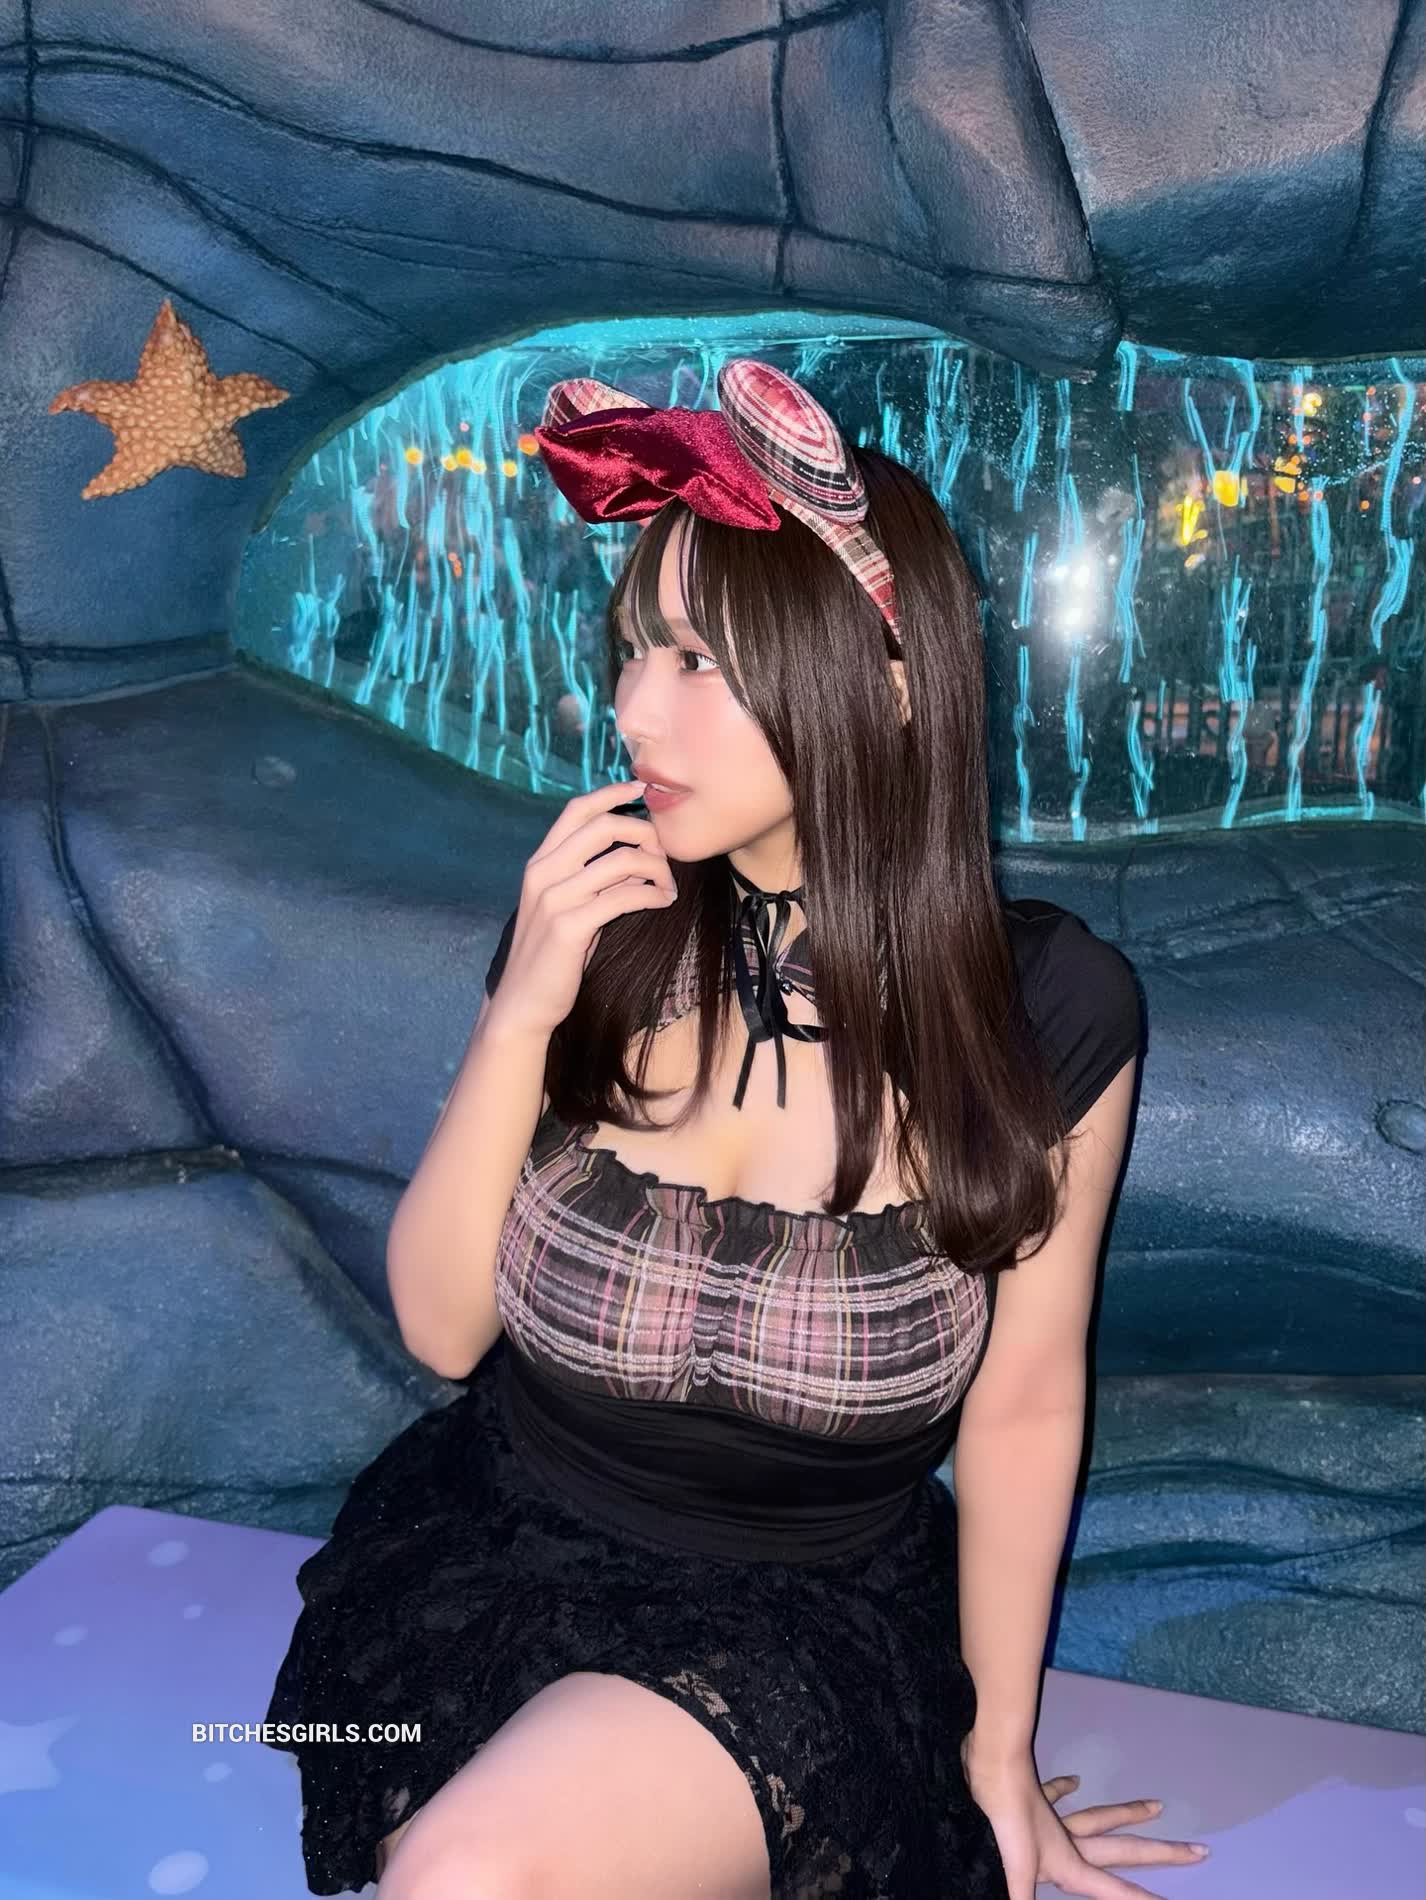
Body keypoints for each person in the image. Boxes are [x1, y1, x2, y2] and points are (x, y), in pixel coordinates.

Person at [264, 362, 1206, 1899]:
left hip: (798, 1619)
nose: (632, 710)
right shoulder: (602, 919)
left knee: (466, 1875)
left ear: (884, 681)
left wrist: (991, 1761)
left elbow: (1025, 1402)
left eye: (697, 659)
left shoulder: (1051, 1007)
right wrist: (520, 1013)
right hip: (482, 1564)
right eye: (633, 650)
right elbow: (441, 1333)